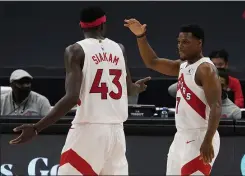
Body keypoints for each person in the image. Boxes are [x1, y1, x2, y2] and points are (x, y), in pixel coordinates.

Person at [9, 7, 151, 175]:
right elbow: (128, 88)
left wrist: (37, 127)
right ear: (102, 25)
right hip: (117, 134)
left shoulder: (75, 50)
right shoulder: (119, 48)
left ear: (81, 26)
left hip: (88, 131)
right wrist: (137, 87)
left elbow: (71, 98)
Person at [125, 19, 221, 175]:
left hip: (201, 135)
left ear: (199, 43)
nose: (180, 45)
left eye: (186, 42)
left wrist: (208, 140)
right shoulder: (182, 66)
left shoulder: (205, 69)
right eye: (179, 41)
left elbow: (216, 106)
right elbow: (152, 62)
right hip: (181, 136)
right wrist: (141, 36)